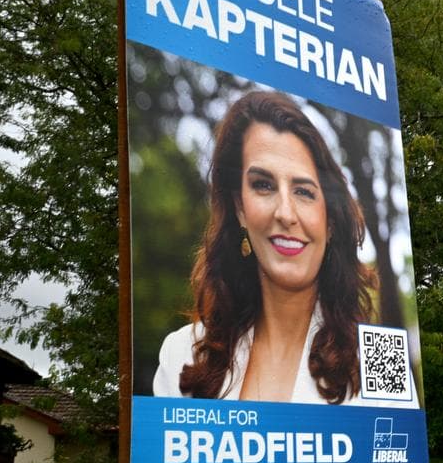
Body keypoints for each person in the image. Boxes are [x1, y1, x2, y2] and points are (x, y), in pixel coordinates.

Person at [153, 90, 386, 405]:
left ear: (330, 221)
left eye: (304, 191)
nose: (285, 214)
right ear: (240, 208)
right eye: (263, 185)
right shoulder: (181, 355)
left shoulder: (380, 360)